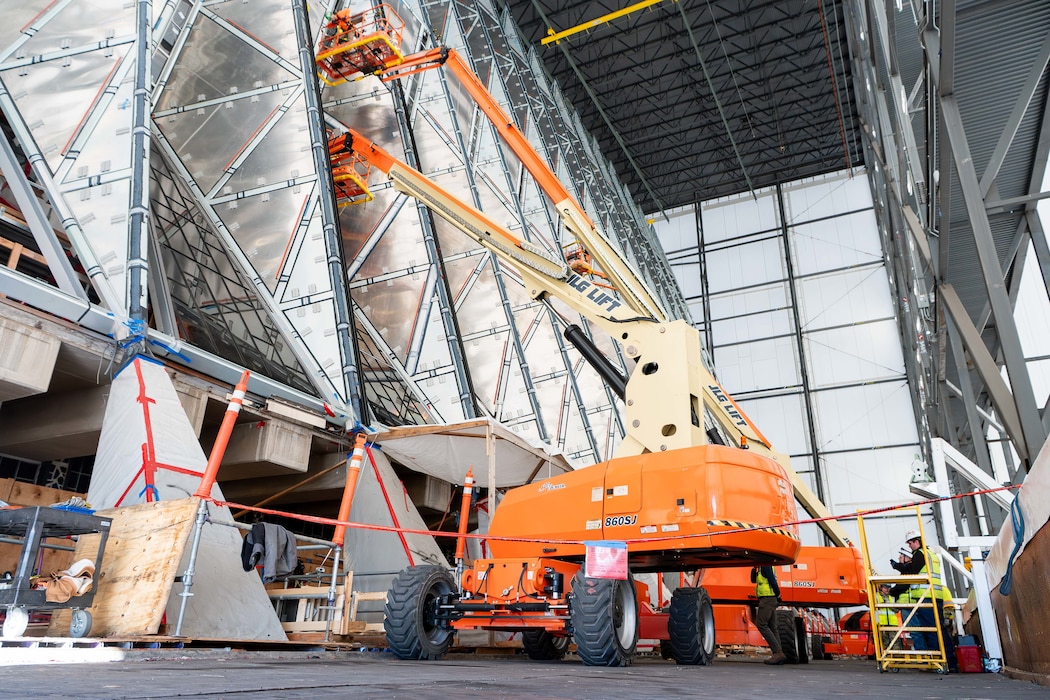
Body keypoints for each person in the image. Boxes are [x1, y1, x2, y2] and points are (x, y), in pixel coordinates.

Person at [751, 565, 786, 665]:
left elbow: (772, 580)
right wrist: (754, 569)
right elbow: (753, 580)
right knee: (772, 627)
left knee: (761, 624)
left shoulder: (766, 565)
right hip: (769, 598)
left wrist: (778, 594)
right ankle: (778, 654)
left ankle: (778, 652)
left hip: (767, 599)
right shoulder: (761, 567)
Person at [874, 583, 901, 652]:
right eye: (885, 587)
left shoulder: (892, 597)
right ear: (881, 587)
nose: (887, 589)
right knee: (884, 644)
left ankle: (896, 659)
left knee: (895, 643)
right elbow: (868, 604)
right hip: (881, 623)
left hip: (892, 624)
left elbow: (897, 610)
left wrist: (889, 604)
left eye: (889, 588)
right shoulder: (875, 596)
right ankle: (886, 659)